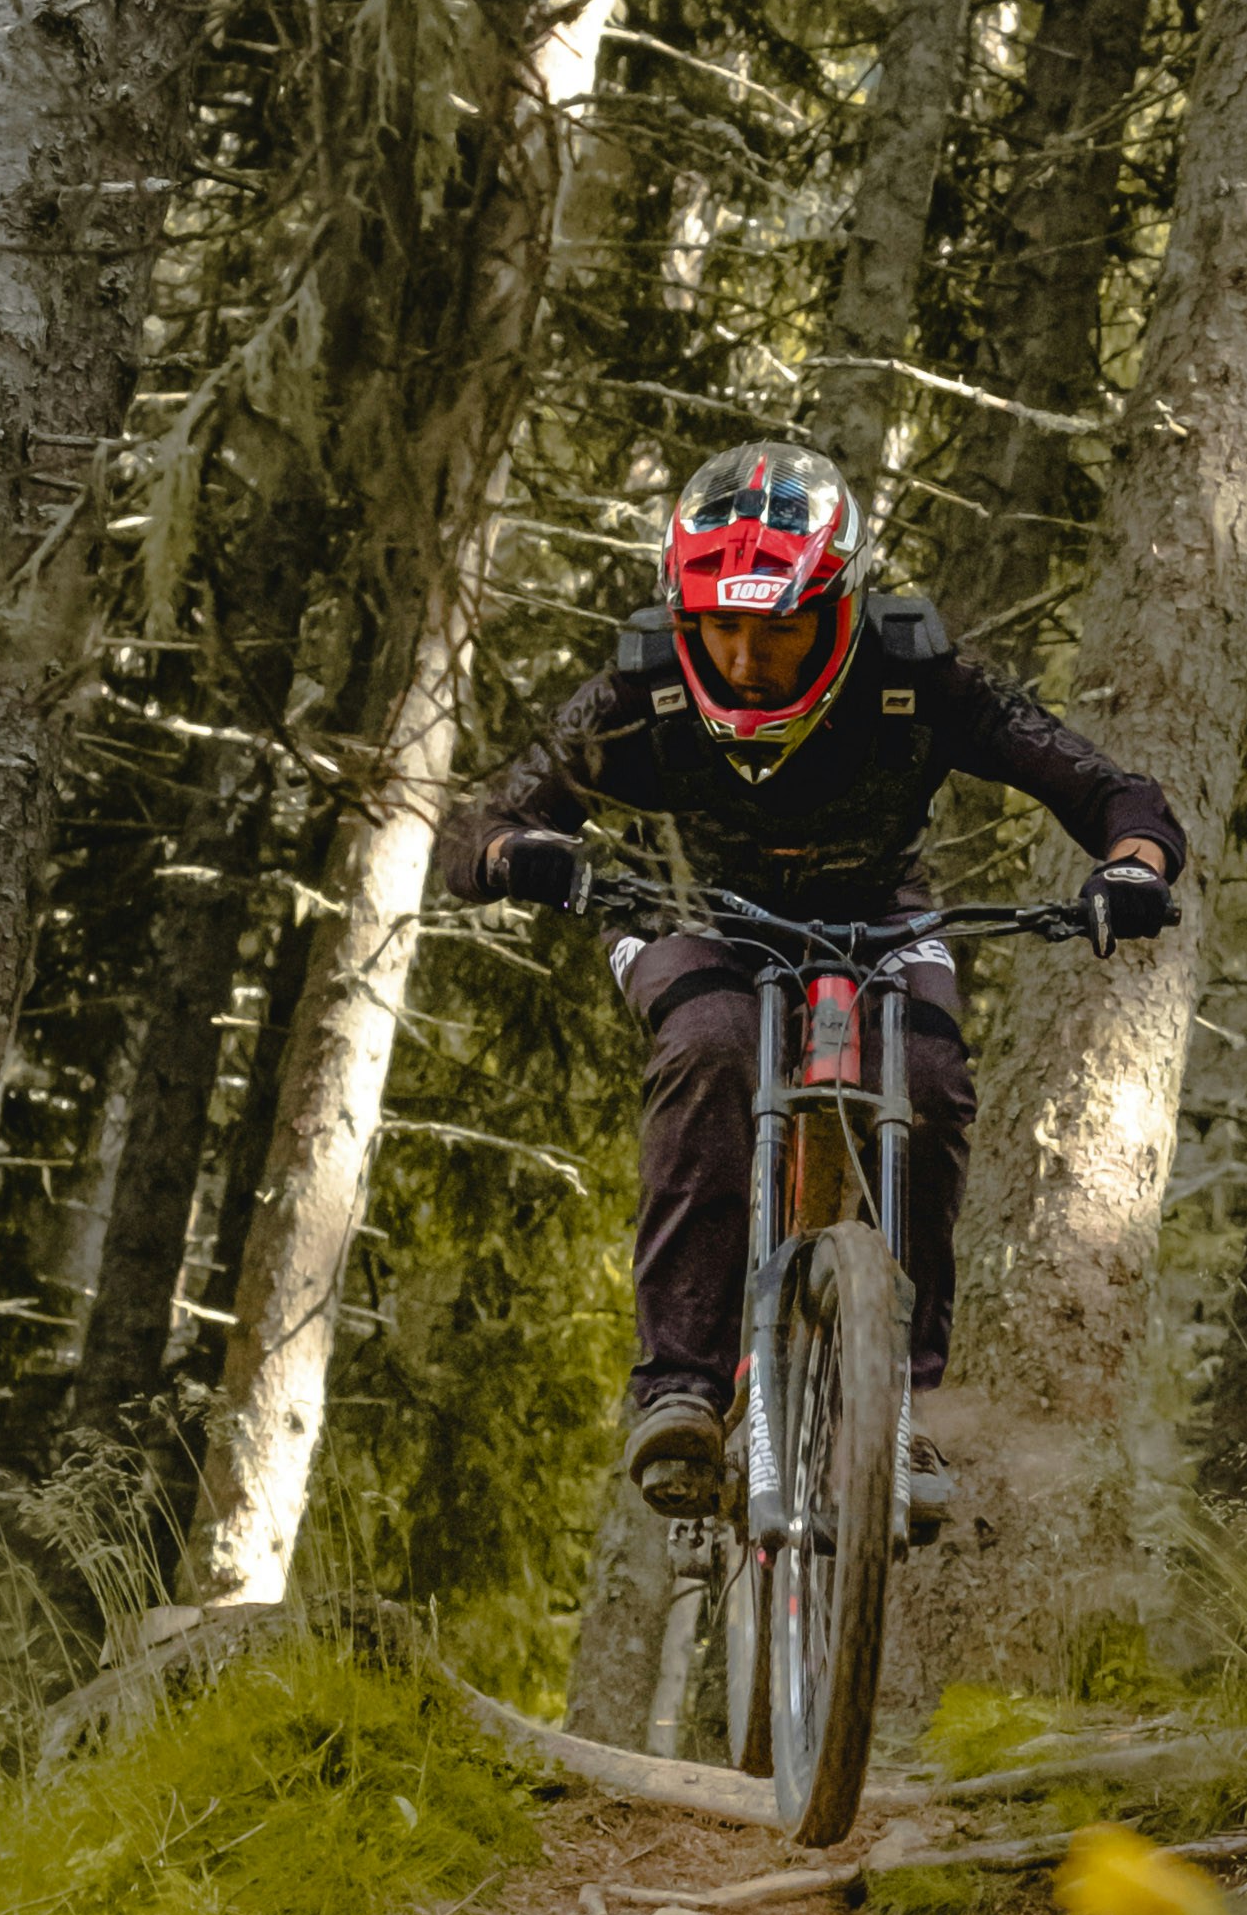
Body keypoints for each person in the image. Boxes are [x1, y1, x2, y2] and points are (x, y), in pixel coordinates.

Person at [436, 438, 1183, 1518]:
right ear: (686, 615)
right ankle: (679, 1389)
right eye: (722, 625)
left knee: (928, 1088)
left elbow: (1109, 791)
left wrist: (1132, 866)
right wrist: (518, 854)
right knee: (712, 1049)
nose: (746, 654)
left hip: (879, 913)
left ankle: (906, 1414)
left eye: (776, 624)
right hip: (694, 908)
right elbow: (479, 823)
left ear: (836, 608)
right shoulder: (637, 691)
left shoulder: (914, 673)